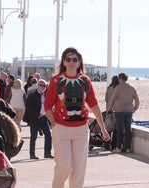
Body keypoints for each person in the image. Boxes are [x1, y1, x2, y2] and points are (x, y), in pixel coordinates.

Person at [44, 47, 110, 188]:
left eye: (75, 59)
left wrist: (103, 129)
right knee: (64, 166)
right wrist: (54, 123)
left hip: (81, 130)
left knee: (79, 170)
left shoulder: (85, 80)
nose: (72, 62)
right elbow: (47, 105)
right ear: (64, 62)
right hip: (61, 129)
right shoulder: (56, 80)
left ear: (79, 62)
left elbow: (94, 105)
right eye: (68, 59)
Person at [107, 72, 140, 153]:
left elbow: (113, 99)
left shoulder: (118, 87)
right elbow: (137, 101)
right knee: (128, 129)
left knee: (119, 129)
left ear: (121, 79)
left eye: (119, 78)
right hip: (129, 111)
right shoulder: (132, 88)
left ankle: (119, 147)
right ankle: (128, 147)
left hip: (119, 111)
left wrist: (109, 109)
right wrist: (134, 109)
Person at [23, 79, 53, 159]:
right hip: (35, 119)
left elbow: (50, 106)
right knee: (34, 136)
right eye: (41, 85)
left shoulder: (46, 95)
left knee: (48, 135)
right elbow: (28, 108)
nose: (43, 87)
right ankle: (32, 154)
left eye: (44, 86)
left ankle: (47, 153)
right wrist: (37, 114)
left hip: (44, 118)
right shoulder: (32, 95)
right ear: (37, 86)